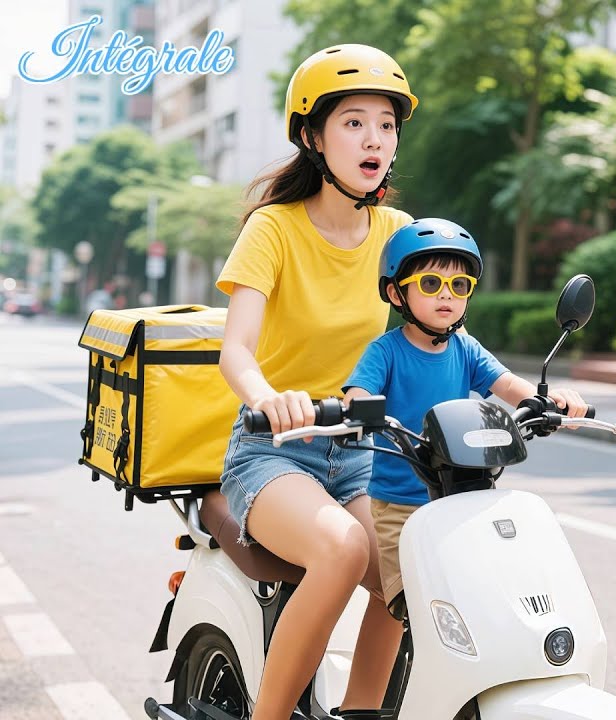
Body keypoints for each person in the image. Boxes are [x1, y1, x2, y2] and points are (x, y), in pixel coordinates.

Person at [216, 44, 417, 719]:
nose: (375, 139)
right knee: (342, 547)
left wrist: (510, 393)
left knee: (409, 569)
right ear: (312, 137)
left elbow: (438, 334)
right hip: (273, 450)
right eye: (354, 122)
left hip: (363, 454)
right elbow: (236, 351)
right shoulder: (273, 228)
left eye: (386, 124)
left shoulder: (399, 234)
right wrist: (269, 398)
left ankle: (359, 713)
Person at [342, 218, 588, 619]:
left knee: (483, 597)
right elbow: (359, 393)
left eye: (459, 285)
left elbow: (508, 385)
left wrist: (550, 402)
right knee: (412, 606)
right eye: (430, 283)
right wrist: (358, 408)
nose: (447, 294)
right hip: (400, 506)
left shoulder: (466, 348)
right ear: (396, 292)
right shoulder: (385, 352)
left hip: (463, 498)